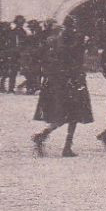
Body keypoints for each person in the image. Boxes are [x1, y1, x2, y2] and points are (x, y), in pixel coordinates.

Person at [32, 25, 94, 157]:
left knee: (66, 116)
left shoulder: (60, 47)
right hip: (73, 84)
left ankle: (45, 136)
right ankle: (64, 145)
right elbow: (75, 67)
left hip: (63, 85)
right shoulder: (74, 50)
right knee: (73, 116)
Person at [0, 18, 21, 93]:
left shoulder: (12, 33)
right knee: (6, 72)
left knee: (11, 72)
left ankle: (9, 87)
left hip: (10, 54)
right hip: (5, 55)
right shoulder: (0, 34)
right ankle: (4, 86)